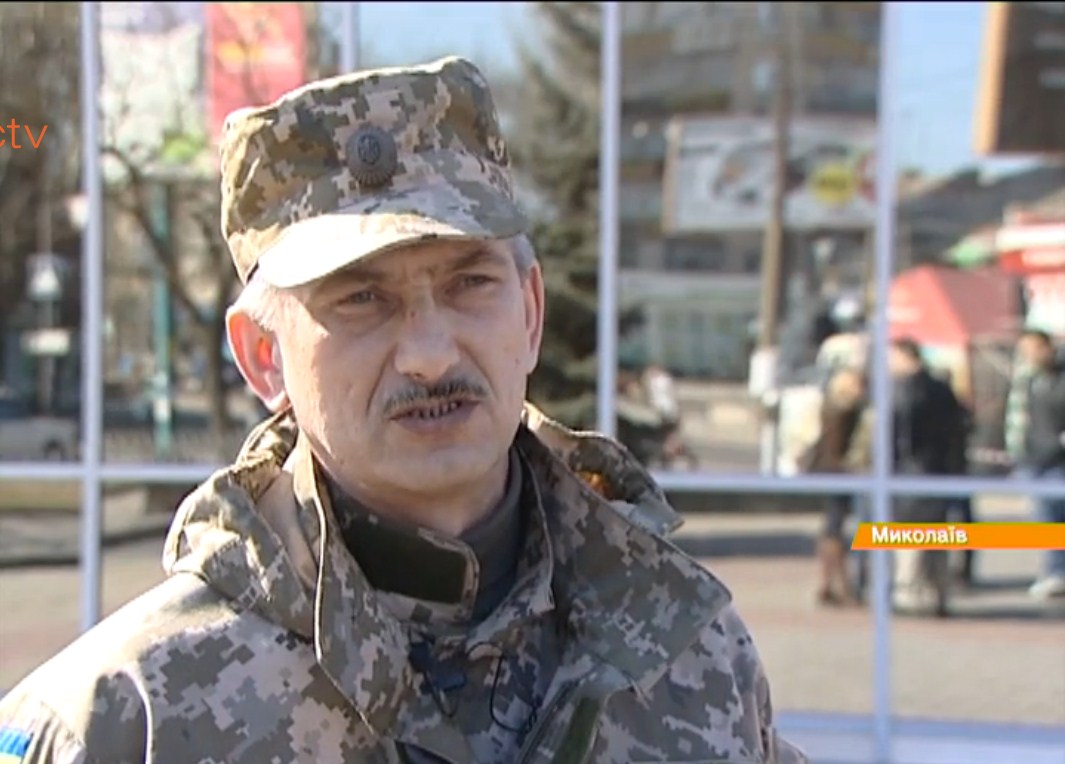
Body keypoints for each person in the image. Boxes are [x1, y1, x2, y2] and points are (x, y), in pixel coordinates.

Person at [0, 57, 807, 764]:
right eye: (361, 299)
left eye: (469, 283)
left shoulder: (689, 655)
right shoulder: (124, 720)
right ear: (263, 355)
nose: (429, 354)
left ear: (529, 313)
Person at [888, 338, 968, 616]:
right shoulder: (941, 389)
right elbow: (958, 430)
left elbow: (899, 436)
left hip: (910, 473)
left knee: (909, 537)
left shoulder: (904, 391)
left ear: (905, 356)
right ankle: (938, 592)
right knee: (936, 537)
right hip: (939, 471)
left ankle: (909, 592)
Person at [801, 367, 867, 606]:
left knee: (831, 528)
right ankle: (839, 585)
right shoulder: (846, 411)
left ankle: (828, 584)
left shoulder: (830, 407)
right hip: (839, 473)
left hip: (828, 471)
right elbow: (840, 447)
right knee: (834, 529)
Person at [1015, 329, 1065, 600]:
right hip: (1035, 459)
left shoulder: (1059, 378)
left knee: (1054, 519)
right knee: (1046, 521)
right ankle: (1055, 571)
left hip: (1057, 461)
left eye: (1033, 349)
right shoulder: (1031, 380)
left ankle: (1057, 572)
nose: (1029, 355)